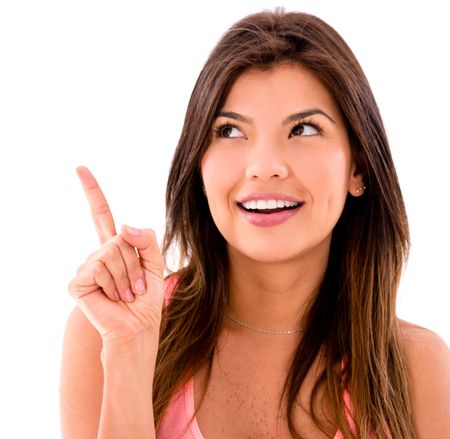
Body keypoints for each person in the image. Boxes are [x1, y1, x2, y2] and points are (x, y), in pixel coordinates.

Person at [59, 8, 450, 439]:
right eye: (229, 131)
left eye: (303, 129)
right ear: (199, 165)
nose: (264, 167)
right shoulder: (109, 333)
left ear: (358, 167)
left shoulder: (417, 368)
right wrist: (130, 357)